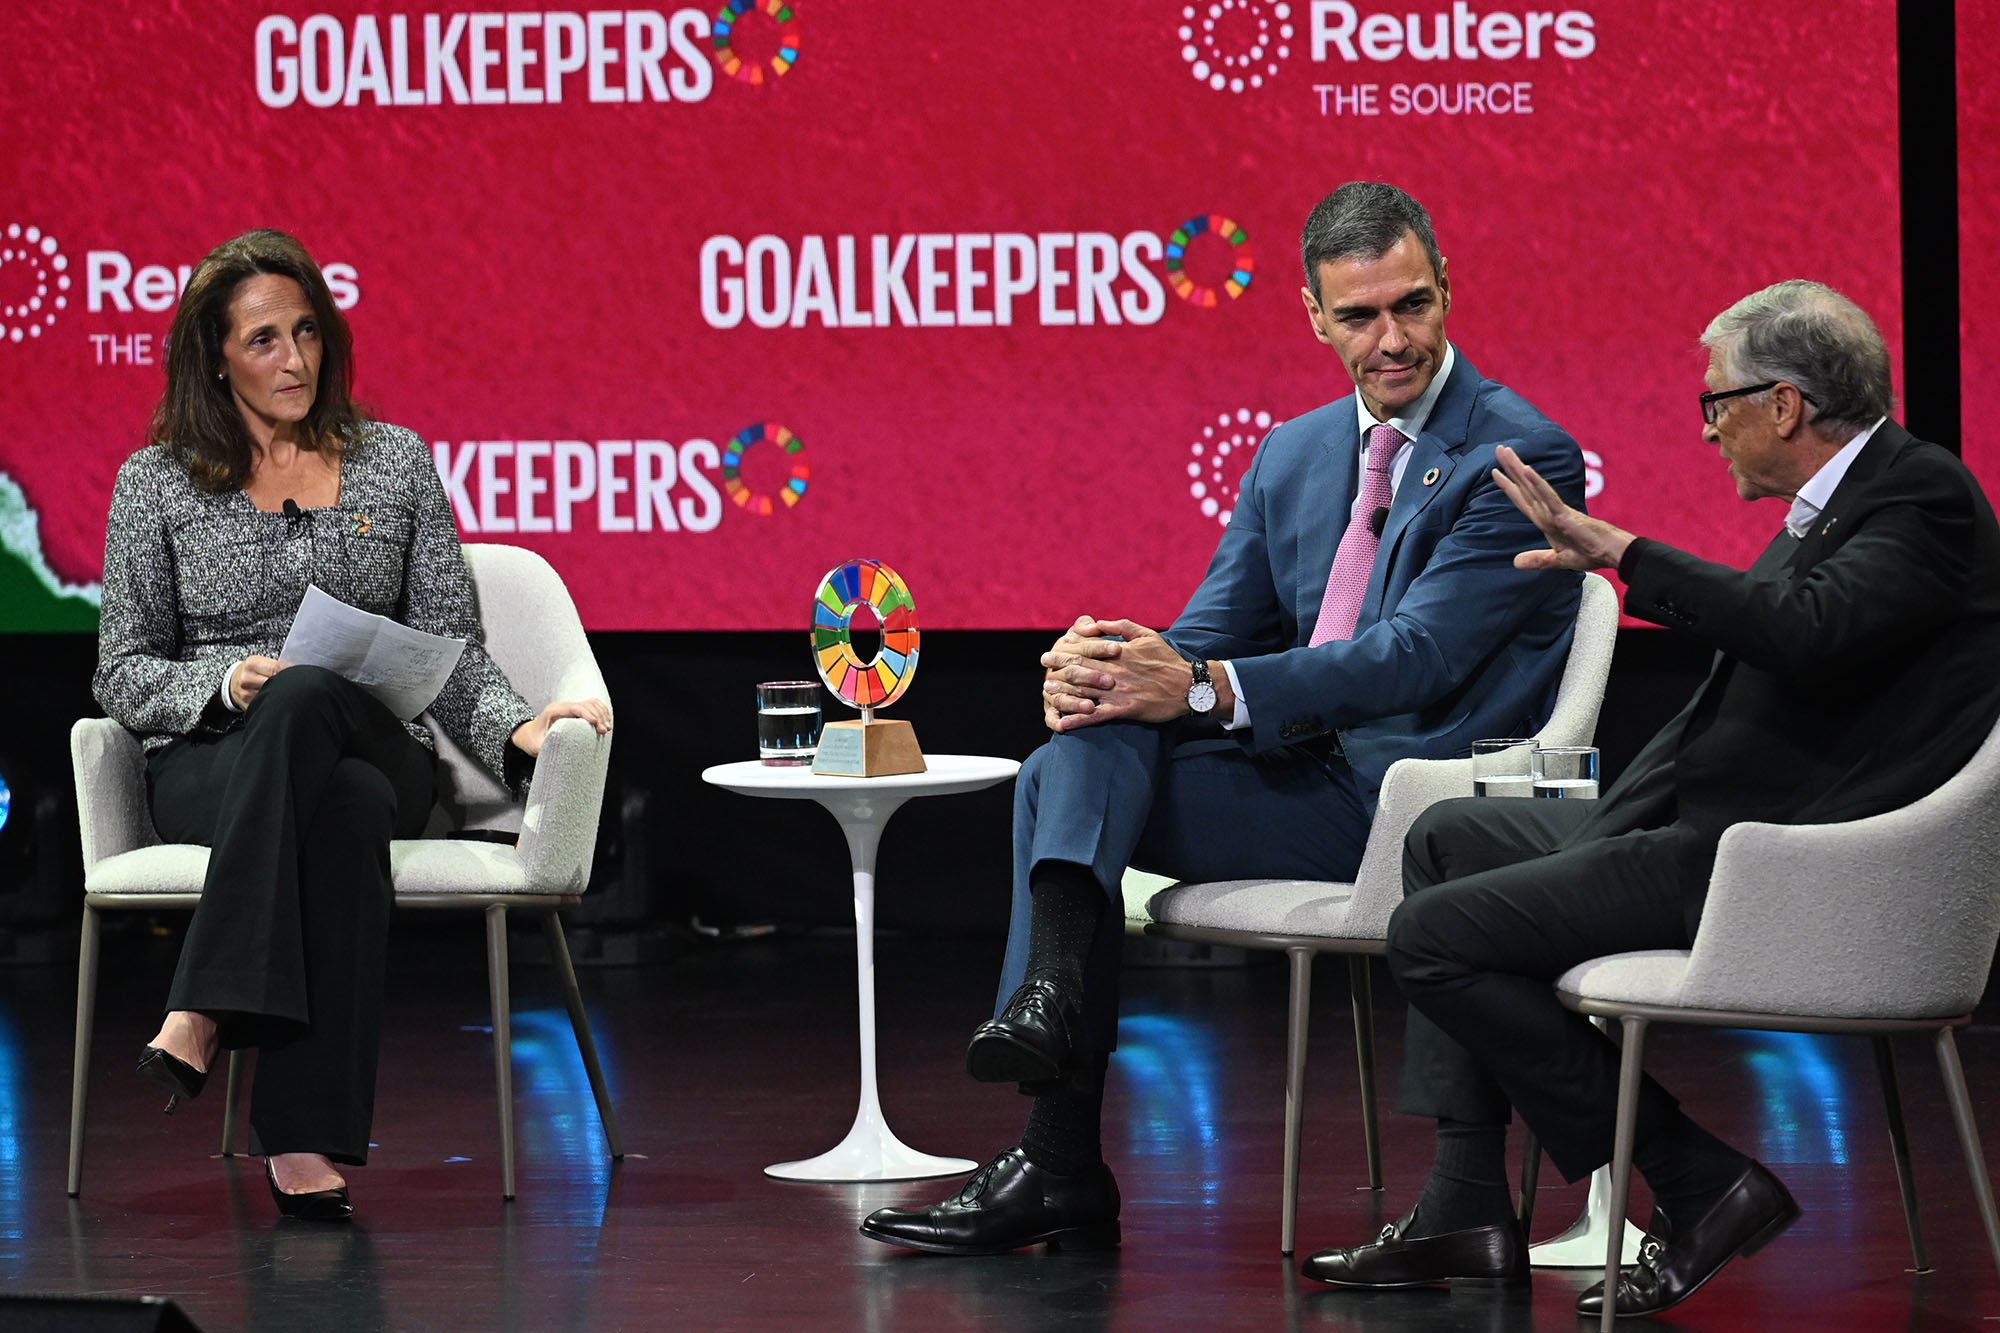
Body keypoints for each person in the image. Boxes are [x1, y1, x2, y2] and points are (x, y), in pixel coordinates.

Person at [860, 182, 1587, 1255]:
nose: (1391, 340)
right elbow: (1203, 632)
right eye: (1358, 316)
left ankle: (1055, 1143)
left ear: (1446, 289)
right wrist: (1110, 668)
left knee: (1080, 763)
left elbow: (1412, 655)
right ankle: (1054, 1051)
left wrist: (1199, 689)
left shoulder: (1516, 456)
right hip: (1292, 781)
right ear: (1310, 315)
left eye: (1411, 305)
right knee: (1081, 745)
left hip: (1410, 804)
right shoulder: (1289, 454)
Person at [1300, 279, 2000, 1317]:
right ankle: (1462, 1201)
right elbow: (1759, 670)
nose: (1709, 429)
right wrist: (1613, 817)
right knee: (1450, 838)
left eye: (1715, 402)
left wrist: (1623, 554)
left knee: (1433, 937)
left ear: (1782, 405)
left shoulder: (1918, 495)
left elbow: (1799, 631)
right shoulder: (1837, 511)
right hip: (1711, 827)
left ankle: (1692, 1176)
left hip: (1777, 860)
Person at [94, 229, 611, 1223]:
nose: (293, 360)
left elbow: (448, 643)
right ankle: (301, 1135)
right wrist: (221, 680)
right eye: (262, 341)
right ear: (213, 355)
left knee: (321, 716)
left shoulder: (394, 466)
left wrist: (517, 733)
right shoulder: (153, 485)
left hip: (380, 735)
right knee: (338, 797)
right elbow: (122, 670)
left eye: (305, 333)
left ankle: (202, 1005)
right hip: (217, 758)